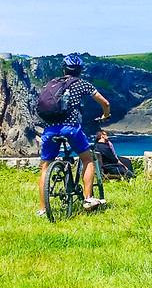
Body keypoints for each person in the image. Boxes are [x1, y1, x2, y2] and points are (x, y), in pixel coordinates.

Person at [37, 54, 111, 216]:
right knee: (87, 159)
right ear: (80, 71)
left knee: (45, 167)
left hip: (50, 130)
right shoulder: (81, 84)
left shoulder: (52, 83)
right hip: (71, 128)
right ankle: (88, 198)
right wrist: (106, 115)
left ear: (64, 70)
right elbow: (105, 103)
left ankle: (42, 209)